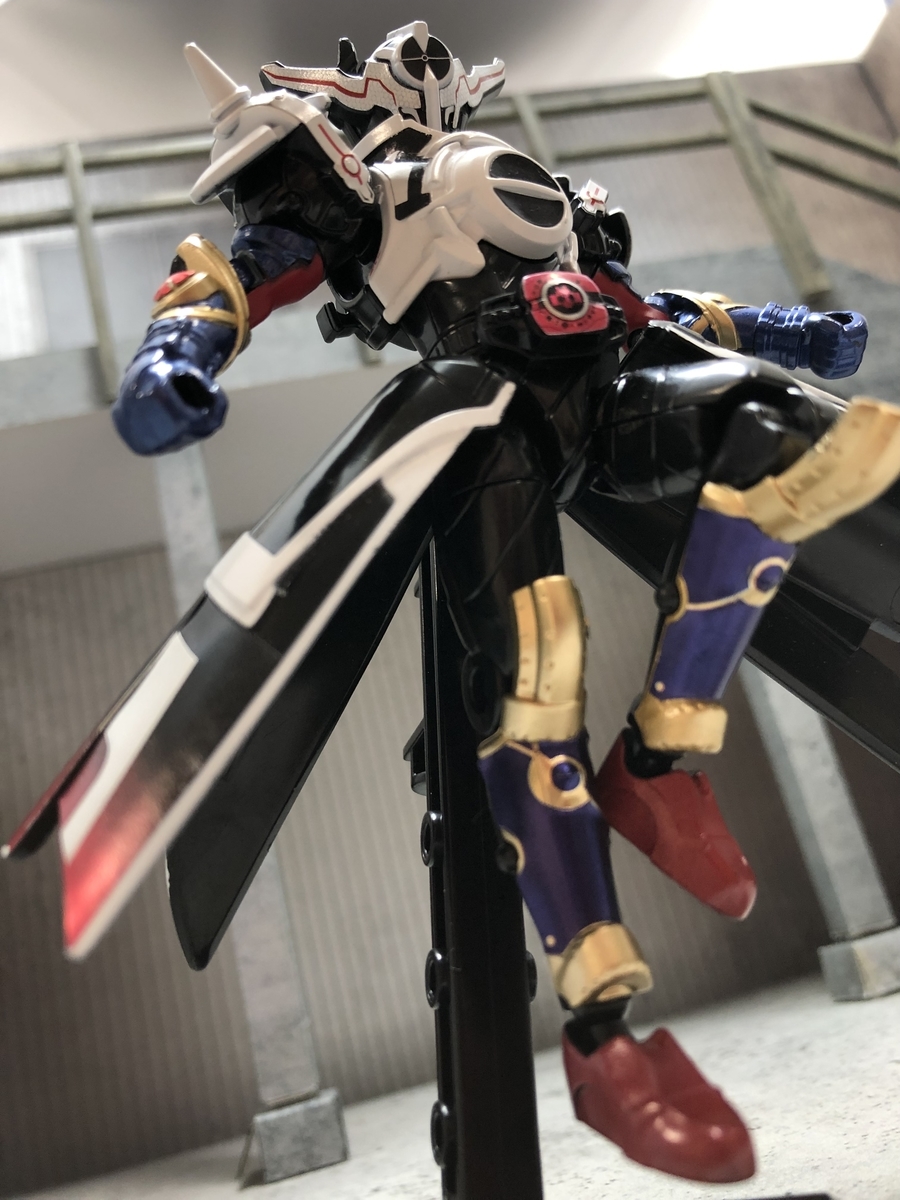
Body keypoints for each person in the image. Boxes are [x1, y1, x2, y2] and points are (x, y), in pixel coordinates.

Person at [8, 23, 898, 1183]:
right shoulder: (351, 181)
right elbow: (236, 277)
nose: (424, 60)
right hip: (486, 414)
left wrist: (779, 329)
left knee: (790, 437)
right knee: (538, 672)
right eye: (401, 58)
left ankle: (660, 760)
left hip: (611, 388)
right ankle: (606, 1042)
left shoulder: (536, 186)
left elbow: (632, 302)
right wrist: (175, 354)